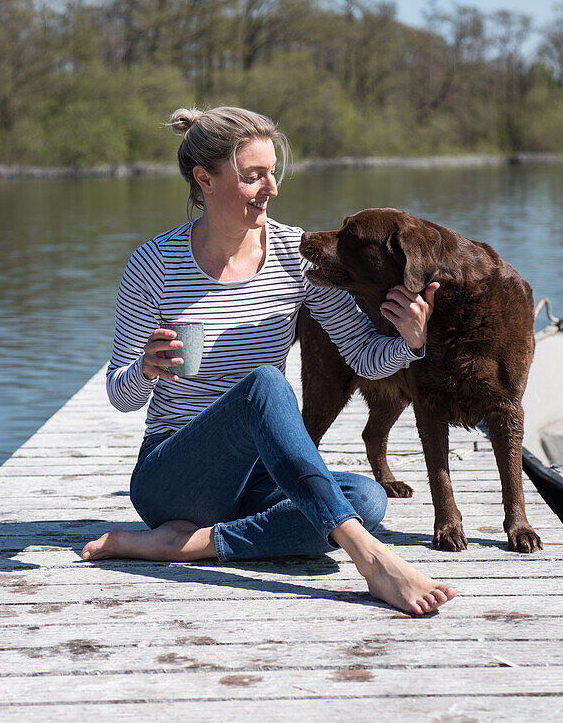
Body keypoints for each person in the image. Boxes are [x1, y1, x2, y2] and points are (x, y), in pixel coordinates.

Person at [82, 107, 456, 615]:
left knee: (367, 499)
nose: (271, 187)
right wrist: (145, 370)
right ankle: (373, 562)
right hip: (173, 475)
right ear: (205, 179)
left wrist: (410, 341)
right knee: (265, 384)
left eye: (273, 172)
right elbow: (119, 395)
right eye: (254, 175)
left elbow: (365, 358)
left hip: (259, 476)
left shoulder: (293, 253)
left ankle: (186, 546)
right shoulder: (155, 264)